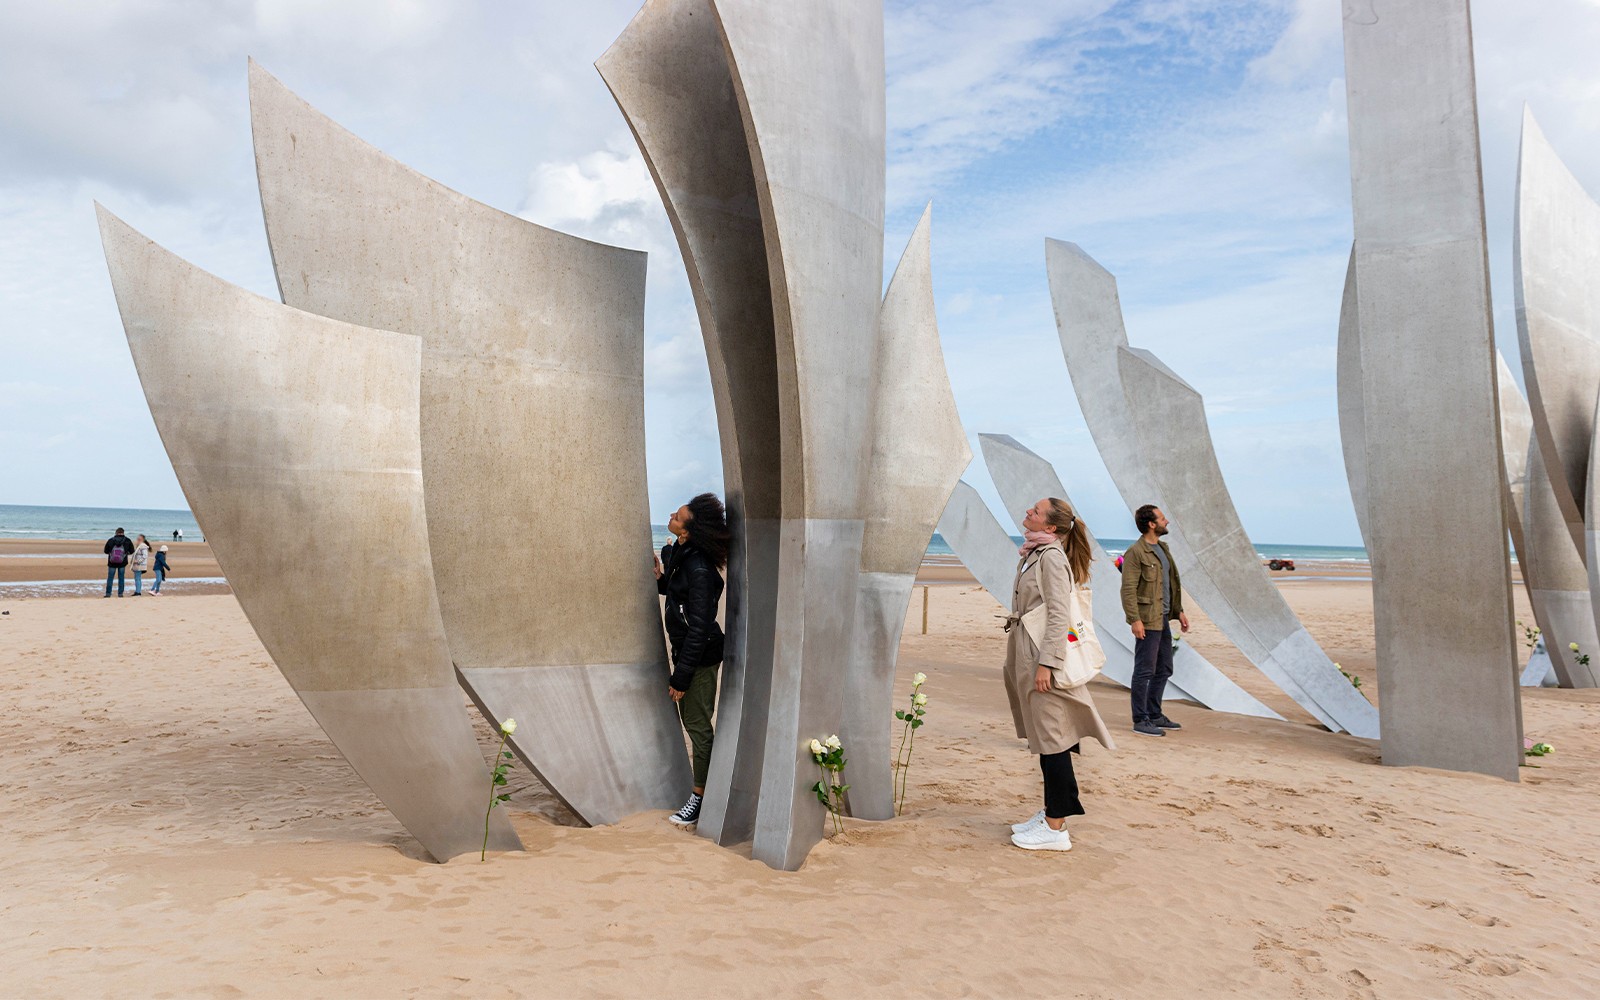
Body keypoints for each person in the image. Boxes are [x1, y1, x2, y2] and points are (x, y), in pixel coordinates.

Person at [1003, 498, 1116, 852]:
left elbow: (1058, 615)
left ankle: (1056, 827)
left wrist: (1047, 664)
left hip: (1042, 657)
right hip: (1030, 652)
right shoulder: (1035, 552)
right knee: (1047, 737)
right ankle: (1052, 813)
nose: (1027, 513)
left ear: (1050, 527)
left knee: (1054, 740)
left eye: (1033, 512)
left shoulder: (1051, 557)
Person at [654, 492, 729, 827]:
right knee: (695, 723)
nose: (672, 514)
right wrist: (661, 577)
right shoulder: (685, 554)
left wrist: (681, 677)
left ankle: (699, 798)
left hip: (697, 657)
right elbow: (676, 595)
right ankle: (703, 792)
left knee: (698, 726)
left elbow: (698, 627)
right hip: (688, 653)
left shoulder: (697, 567)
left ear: (687, 530)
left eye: (678, 515)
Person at [1120, 504, 1189, 737]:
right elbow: (1128, 589)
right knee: (1144, 670)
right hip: (1147, 620)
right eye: (1162, 518)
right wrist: (1134, 620)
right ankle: (1140, 719)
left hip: (1163, 619)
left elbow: (1171, 584)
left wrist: (1178, 611)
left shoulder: (1163, 548)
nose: (1166, 521)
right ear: (1151, 524)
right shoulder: (1135, 553)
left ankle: (1155, 714)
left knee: (1164, 668)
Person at [103, 528, 135, 598]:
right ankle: (120, 594)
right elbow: (132, 551)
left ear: (116, 532)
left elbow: (105, 551)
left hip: (111, 562)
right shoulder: (127, 540)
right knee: (121, 578)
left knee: (110, 578)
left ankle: (108, 594)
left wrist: (111, 554)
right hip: (122, 562)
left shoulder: (111, 540)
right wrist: (125, 554)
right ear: (123, 533)